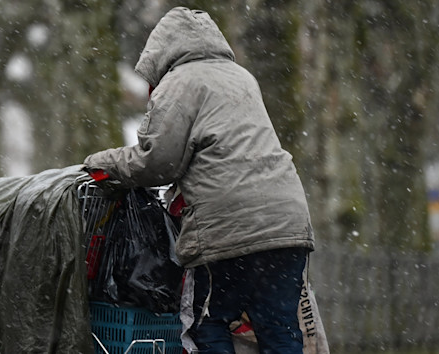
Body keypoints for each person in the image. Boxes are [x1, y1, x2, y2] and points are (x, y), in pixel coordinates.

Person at [84, 7, 315, 354]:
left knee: (207, 323)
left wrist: (101, 163)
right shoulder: (242, 77)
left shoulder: (179, 83)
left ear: (160, 53)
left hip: (230, 227)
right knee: (279, 330)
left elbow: (156, 162)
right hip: (288, 223)